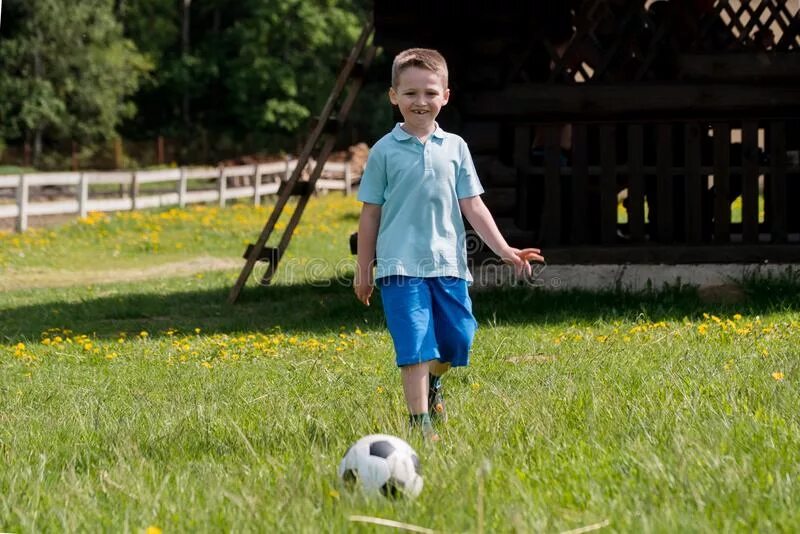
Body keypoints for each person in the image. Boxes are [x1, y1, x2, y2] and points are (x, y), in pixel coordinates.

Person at [354, 48, 544, 441]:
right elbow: (370, 214)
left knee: (459, 338)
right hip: (399, 268)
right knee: (415, 345)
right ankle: (420, 422)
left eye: (429, 92)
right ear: (393, 96)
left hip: (448, 265)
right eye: (409, 94)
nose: (419, 102)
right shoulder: (383, 152)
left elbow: (473, 205)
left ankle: (436, 384)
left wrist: (505, 250)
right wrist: (364, 269)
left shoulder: (456, 147)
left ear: (445, 95)